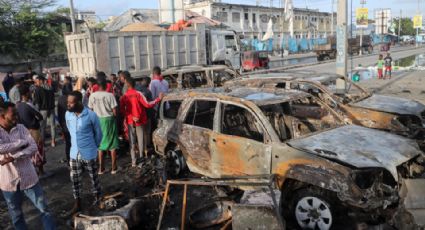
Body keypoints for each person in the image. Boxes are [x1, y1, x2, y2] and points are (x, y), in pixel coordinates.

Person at [0, 102, 56, 230]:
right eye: (13, 114)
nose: (17, 117)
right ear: (2, 116)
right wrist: (21, 142)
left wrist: (14, 156)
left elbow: (33, 147)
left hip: (29, 178)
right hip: (8, 182)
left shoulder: (21, 128)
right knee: (17, 216)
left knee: (44, 210)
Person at [66, 91, 102, 214]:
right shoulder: (68, 115)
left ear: (79, 102)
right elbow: (70, 130)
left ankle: (98, 199)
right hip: (74, 153)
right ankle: (77, 203)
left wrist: (93, 147)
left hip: (89, 153)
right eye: (68, 102)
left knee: (94, 178)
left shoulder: (91, 115)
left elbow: (99, 134)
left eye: (71, 103)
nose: (68, 105)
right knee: (75, 180)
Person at [120, 75, 162, 167]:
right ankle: (141, 160)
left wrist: (129, 116)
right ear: (135, 84)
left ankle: (134, 161)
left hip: (130, 121)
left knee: (132, 141)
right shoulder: (138, 94)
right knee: (141, 141)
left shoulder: (124, 96)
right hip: (140, 120)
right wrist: (158, 99)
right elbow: (147, 104)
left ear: (127, 85)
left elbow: (122, 110)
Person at [88, 79, 119, 175]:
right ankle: (114, 168)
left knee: (100, 146)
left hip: (97, 120)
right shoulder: (110, 95)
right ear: (106, 86)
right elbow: (114, 111)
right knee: (112, 145)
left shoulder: (92, 96)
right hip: (109, 120)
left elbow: (90, 110)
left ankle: (101, 169)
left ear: (97, 86)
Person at [16, 85, 46, 175]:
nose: (30, 93)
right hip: (34, 131)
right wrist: (36, 120)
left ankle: (34, 171)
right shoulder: (29, 105)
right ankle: (41, 171)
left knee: (30, 151)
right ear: (26, 93)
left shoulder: (18, 105)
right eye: (29, 92)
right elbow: (40, 116)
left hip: (24, 131)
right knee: (38, 150)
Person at [33, 75, 56, 147]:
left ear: (40, 81)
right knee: (53, 126)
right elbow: (53, 98)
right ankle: (53, 142)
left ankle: (43, 143)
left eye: (37, 81)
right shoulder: (50, 88)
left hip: (43, 110)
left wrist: (37, 112)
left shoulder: (38, 89)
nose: (36, 83)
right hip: (51, 109)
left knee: (43, 127)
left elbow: (37, 102)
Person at [137, 77, 154, 154]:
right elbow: (150, 104)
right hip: (147, 115)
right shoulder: (148, 92)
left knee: (139, 133)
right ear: (148, 83)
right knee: (147, 132)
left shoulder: (136, 88)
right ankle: (146, 147)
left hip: (137, 115)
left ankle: (139, 148)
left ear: (142, 81)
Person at [57, 88, 71, 164]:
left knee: (68, 143)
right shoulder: (70, 99)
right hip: (70, 122)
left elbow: (59, 112)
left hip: (63, 122)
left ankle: (69, 160)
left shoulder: (60, 99)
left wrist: (60, 123)